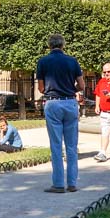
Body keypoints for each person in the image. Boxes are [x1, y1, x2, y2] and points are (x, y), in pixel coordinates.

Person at [35, 33, 84, 193]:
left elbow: (41, 88)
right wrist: (71, 89)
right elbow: (82, 85)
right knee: (71, 145)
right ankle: (72, 183)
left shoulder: (43, 62)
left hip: (53, 102)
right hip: (70, 102)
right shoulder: (72, 61)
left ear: (49, 45)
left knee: (56, 145)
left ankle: (58, 184)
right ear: (63, 45)